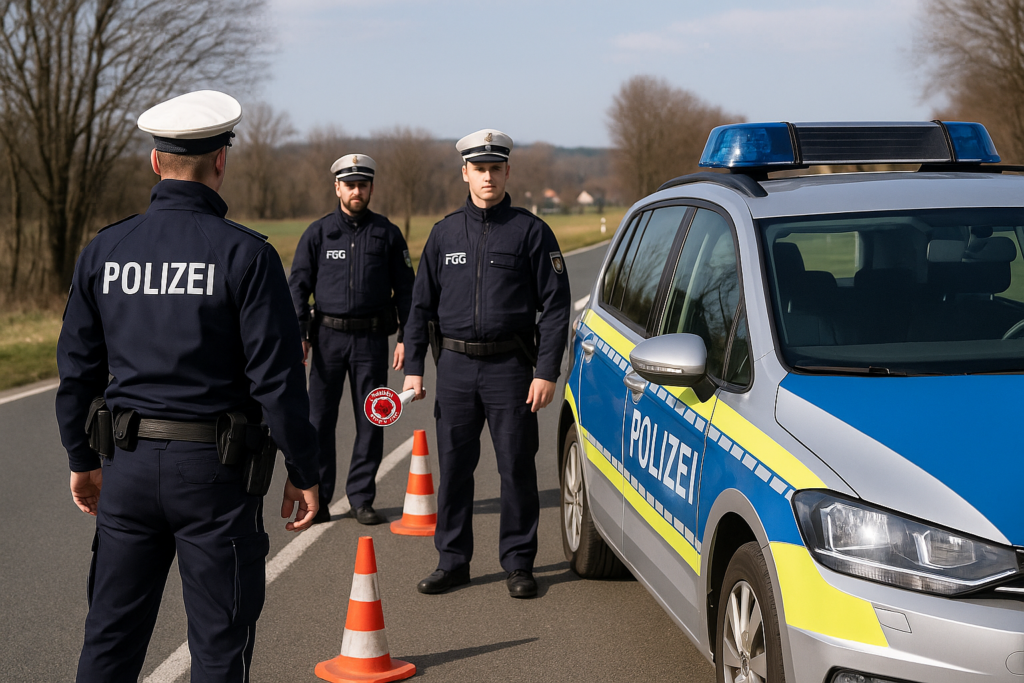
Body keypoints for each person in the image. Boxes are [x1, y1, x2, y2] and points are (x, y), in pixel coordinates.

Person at [55, 90, 320, 683]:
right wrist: (304, 471)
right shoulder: (246, 256)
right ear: (220, 161)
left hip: (124, 465)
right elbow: (277, 380)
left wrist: (81, 457)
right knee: (219, 646)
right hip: (215, 477)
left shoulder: (106, 249)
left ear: (156, 163)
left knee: (109, 639)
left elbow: (76, 369)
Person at [402, 129, 571, 599]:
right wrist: (414, 365)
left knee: (516, 467)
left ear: (507, 172)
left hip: (511, 369)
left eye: (495, 169)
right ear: (465, 174)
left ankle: (519, 563)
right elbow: (420, 307)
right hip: (455, 367)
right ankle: (452, 561)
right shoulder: (443, 234)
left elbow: (556, 306)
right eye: (479, 169)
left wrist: (546, 371)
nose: (488, 177)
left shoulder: (531, 232)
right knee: (455, 468)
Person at [289, 154, 415, 525]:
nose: (356, 191)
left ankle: (362, 497)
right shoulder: (318, 233)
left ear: (370, 188)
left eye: (362, 184)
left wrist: (407, 337)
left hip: (372, 340)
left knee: (372, 419)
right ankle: (322, 497)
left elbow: (407, 291)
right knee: (319, 421)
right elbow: (297, 286)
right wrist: (300, 333)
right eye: (350, 184)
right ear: (337, 188)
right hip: (327, 338)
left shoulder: (387, 234)